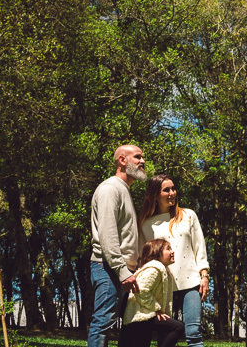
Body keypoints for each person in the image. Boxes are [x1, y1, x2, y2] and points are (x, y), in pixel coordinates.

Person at [138, 175, 209, 347]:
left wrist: (204, 275)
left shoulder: (188, 215)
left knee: (193, 333)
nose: (172, 193)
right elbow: (143, 257)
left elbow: (199, 246)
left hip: (190, 281)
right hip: (161, 285)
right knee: (166, 337)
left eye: (173, 188)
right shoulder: (146, 223)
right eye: (166, 190)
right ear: (155, 194)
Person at [88, 144, 146, 347]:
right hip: (107, 268)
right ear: (122, 160)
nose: (143, 161)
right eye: (137, 157)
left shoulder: (124, 190)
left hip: (121, 270)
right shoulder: (109, 189)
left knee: (132, 326)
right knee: (103, 323)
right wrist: (122, 271)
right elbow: (107, 234)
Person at [120, 238, 185, 347]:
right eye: (168, 249)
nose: (172, 251)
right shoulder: (154, 269)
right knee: (178, 327)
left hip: (143, 316)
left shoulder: (160, 269)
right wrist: (157, 309)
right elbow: (141, 290)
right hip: (140, 316)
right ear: (157, 252)